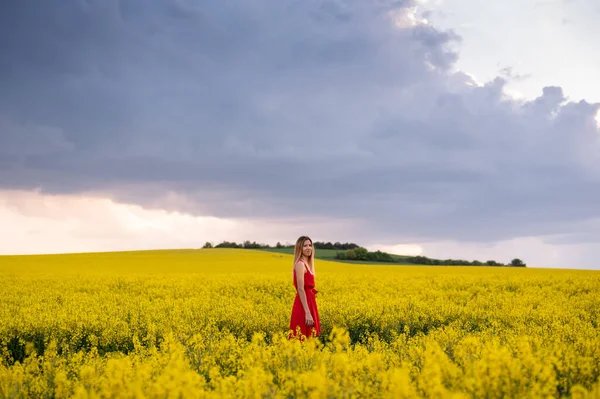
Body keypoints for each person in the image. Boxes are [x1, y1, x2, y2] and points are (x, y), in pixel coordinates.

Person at [288, 235, 321, 340]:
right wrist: (307, 312)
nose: (308, 248)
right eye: (305, 246)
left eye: (310, 245)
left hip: (310, 302)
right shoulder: (300, 265)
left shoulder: (308, 264)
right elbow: (301, 289)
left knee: (311, 338)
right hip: (303, 305)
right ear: (299, 248)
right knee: (301, 336)